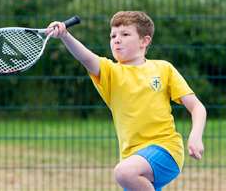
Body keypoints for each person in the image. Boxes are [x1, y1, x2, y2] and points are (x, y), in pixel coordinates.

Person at [46, 11, 206, 191]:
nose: (116, 39)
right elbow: (86, 58)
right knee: (126, 173)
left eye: (125, 34)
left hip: (166, 149)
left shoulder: (163, 69)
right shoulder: (111, 73)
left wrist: (195, 136)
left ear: (144, 41)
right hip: (132, 158)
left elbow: (196, 107)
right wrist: (65, 36)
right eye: (113, 35)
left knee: (123, 173)